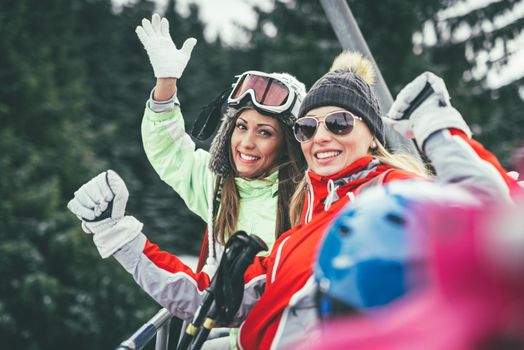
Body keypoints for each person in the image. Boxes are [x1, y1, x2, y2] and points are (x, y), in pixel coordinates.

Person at [67, 52, 521, 349]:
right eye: (309, 128)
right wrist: (118, 233)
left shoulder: (389, 195)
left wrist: (437, 127)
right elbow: (213, 299)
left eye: (340, 123)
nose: (321, 136)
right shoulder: (296, 228)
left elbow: (492, 217)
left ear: (371, 133)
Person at [135, 13, 306, 275]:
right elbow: (168, 151)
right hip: (217, 315)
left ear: (287, 145)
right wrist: (166, 83)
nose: (246, 143)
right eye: (241, 127)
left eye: (264, 133)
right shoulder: (217, 185)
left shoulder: (306, 200)